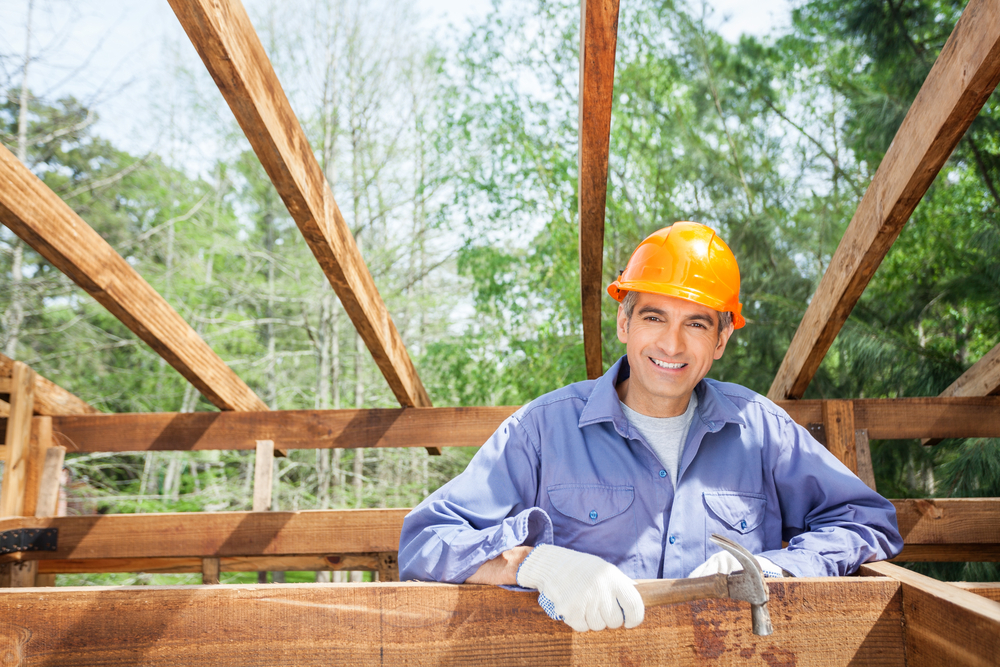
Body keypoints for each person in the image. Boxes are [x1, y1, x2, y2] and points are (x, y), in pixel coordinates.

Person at [398, 221, 903, 632]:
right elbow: (426, 542)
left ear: (721, 339)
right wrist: (530, 564)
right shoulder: (542, 431)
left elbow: (866, 520)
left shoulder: (762, 431)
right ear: (624, 323)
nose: (672, 345)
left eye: (696, 324)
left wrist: (775, 566)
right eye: (654, 318)